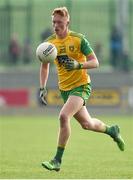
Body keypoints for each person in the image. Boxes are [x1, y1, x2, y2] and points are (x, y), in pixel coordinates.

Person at [39, 7, 125, 172]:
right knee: (87, 124)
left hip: (81, 86)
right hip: (65, 89)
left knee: (64, 116)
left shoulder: (79, 40)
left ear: (67, 22)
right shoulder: (49, 44)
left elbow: (95, 62)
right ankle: (112, 131)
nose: (56, 25)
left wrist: (79, 65)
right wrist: (42, 87)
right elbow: (44, 67)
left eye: (60, 22)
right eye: (54, 22)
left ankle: (57, 160)